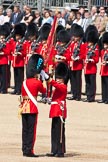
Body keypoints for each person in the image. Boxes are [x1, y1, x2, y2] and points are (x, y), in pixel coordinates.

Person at [18, 54, 46, 157]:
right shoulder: (36, 82)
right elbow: (44, 90)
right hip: (32, 108)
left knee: (25, 130)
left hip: (23, 108)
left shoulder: (24, 82)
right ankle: (29, 150)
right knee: (31, 130)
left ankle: (24, 148)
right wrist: (43, 79)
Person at [46, 62, 69, 158]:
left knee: (59, 132)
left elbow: (56, 85)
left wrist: (49, 79)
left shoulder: (63, 87)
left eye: (59, 78)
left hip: (60, 111)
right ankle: (54, 149)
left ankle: (60, 151)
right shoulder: (57, 87)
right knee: (54, 131)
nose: (58, 79)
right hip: (55, 110)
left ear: (63, 79)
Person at [83, 29, 99, 102]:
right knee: (87, 83)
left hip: (92, 69)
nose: (88, 43)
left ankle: (92, 97)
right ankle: (88, 96)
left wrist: (91, 60)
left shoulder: (95, 49)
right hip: (86, 68)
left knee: (92, 84)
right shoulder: (87, 48)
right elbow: (84, 55)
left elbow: (96, 59)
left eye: (89, 42)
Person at [11, 23, 26, 95]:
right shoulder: (14, 43)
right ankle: (16, 89)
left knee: (20, 78)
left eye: (18, 36)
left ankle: (20, 89)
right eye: (16, 36)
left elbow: (24, 52)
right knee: (16, 77)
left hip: (20, 62)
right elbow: (11, 50)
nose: (17, 37)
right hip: (14, 62)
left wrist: (20, 54)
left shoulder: (23, 43)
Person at [98, 32, 108, 104]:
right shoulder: (102, 51)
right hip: (103, 70)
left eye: (106, 44)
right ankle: (104, 98)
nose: (104, 45)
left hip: (107, 70)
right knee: (103, 85)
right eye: (104, 44)